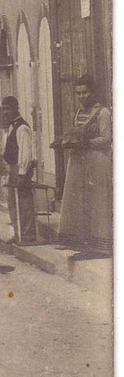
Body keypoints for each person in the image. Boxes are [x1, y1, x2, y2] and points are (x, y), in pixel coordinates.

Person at [56, 76, 112, 256]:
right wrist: (67, 141)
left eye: (85, 92)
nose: (81, 96)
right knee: (78, 202)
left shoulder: (103, 113)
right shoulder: (79, 113)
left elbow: (106, 138)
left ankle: (100, 244)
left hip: (96, 161)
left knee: (97, 202)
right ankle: (80, 242)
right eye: (78, 93)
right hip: (79, 162)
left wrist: (86, 143)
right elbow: (76, 134)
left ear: (93, 92)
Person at [0, 96, 36, 245]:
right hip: (13, 168)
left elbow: (26, 153)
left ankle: (27, 236)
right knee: (13, 203)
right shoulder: (11, 127)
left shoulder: (22, 128)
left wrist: (22, 173)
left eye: (8, 109)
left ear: (16, 108)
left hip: (21, 169)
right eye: (4, 109)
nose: (5, 112)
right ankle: (18, 234)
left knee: (23, 203)